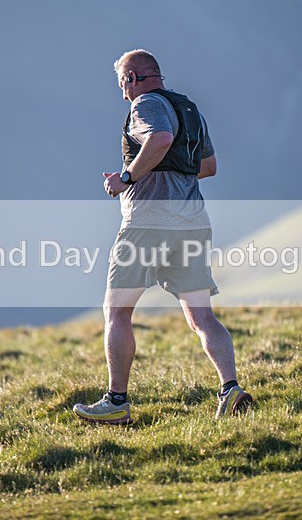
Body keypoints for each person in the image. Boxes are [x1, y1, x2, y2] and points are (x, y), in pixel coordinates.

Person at [73, 49, 252, 425]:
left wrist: (126, 178)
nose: (122, 93)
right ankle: (230, 388)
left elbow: (160, 138)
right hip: (191, 222)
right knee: (202, 317)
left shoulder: (145, 105)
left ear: (132, 78)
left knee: (117, 312)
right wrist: (168, 173)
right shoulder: (190, 109)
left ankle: (116, 402)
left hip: (147, 224)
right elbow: (208, 166)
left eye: (122, 84)